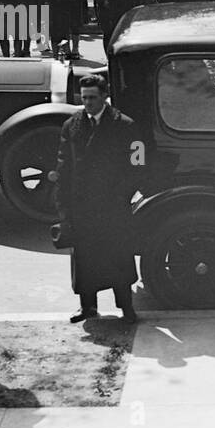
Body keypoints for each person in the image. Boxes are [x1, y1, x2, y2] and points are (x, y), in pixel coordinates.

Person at [55, 75, 146, 324]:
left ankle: (126, 308)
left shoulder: (126, 125)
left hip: (113, 206)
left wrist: (123, 194)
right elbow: (64, 167)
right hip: (82, 206)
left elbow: (139, 163)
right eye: (84, 98)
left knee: (118, 257)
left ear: (105, 96)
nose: (88, 103)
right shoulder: (71, 126)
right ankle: (87, 307)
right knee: (85, 258)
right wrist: (63, 206)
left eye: (93, 98)